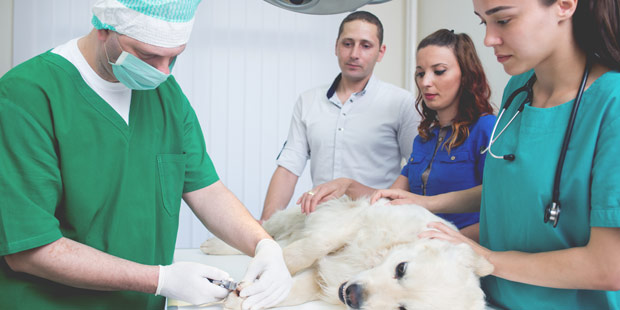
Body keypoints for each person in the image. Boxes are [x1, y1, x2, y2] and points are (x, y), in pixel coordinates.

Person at [0, 1, 291, 309]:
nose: (163, 72)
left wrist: (265, 246)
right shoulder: (26, 96)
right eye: (147, 55)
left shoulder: (167, 95)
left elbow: (207, 191)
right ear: (104, 27)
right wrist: (159, 280)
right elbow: (29, 249)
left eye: (174, 57)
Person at [377, 0, 620, 309]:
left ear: (564, 4)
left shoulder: (611, 104)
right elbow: (505, 189)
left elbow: (607, 268)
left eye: (503, 20)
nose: (489, 39)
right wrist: (425, 204)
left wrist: (484, 256)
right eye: (483, 23)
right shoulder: (518, 90)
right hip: (489, 298)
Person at [297, 29, 496, 242]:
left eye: (438, 71)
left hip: (458, 257)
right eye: (420, 73)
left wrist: (444, 241)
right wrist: (346, 185)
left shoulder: (487, 128)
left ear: (466, 75)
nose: (426, 82)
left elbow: (498, 208)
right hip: (418, 253)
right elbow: (389, 200)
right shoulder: (425, 138)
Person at [259, 11, 420, 222]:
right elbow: (289, 168)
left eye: (365, 45)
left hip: (376, 224)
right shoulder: (308, 101)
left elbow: (416, 170)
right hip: (320, 224)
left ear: (381, 52)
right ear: (336, 46)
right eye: (347, 43)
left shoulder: (401, 102)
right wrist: (266, 226)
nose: (354, 53)